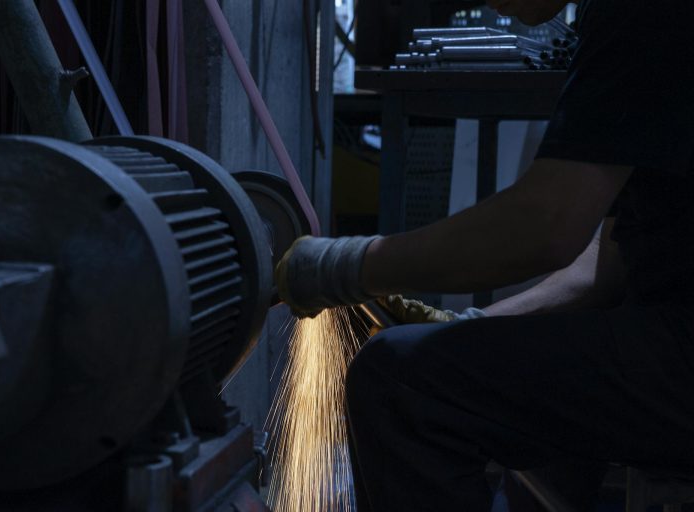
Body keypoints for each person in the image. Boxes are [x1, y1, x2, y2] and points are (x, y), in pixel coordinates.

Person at [274, 0, 694, 510]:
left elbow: (546, 225)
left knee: (398, 383)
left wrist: (340, 267)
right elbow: (607, 262)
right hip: (671, 328)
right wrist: (474, 321)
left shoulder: (646, 13)